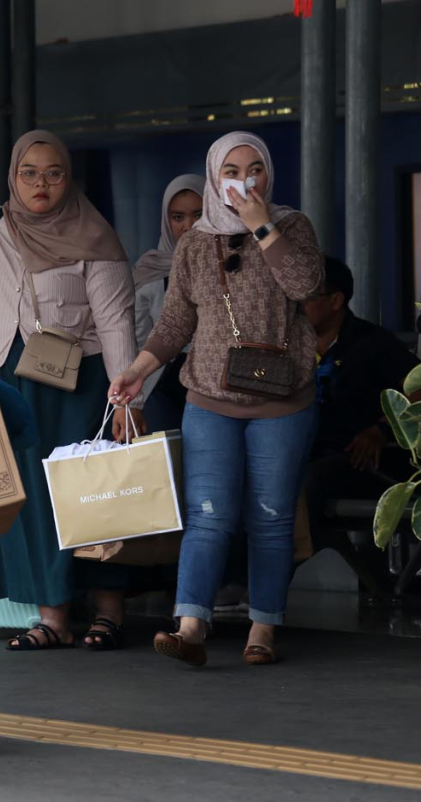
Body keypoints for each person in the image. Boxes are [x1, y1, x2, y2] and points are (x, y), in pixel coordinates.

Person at [109, 131, 324, 667]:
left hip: (282, 398)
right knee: (207, 515)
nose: (245, 180)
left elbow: (306, 285)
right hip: (208, 397)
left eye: (256, 169)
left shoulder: (291, 226)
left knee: (271, 517)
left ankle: (263, 630)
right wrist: (137, 371)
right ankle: (190, 627)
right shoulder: (194, 243)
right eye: (232, 170)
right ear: (213, 176)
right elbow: (177, 320)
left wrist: (261, 225)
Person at [0, 130, 140, 652]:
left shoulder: (94, 234)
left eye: (53, 173)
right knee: (24, 498)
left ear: (68, 177)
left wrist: (126, 399)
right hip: (8, 376)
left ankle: (108, 609)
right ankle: (52, 615)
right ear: (13, 176)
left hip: (77, 381)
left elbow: (116, 322)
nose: (40, 184)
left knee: (87, 493)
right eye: (29, 173)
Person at [302, 257, 418, 589]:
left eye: (306, 297)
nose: (295, 304)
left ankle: (262, 587)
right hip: (304, 452)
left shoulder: (372, 342)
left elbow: (418, 389)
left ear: (336, 301)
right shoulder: (292, 346)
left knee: (306, 483)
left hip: (359, 463)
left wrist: (382, 428)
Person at [132, 175, 204, 433]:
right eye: (178, 217)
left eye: (199, 214)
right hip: (161, 389)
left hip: (215, 389)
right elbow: (139, 344)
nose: (189, 226)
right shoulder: (151, 274)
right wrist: (133, 403)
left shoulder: (229, 266)